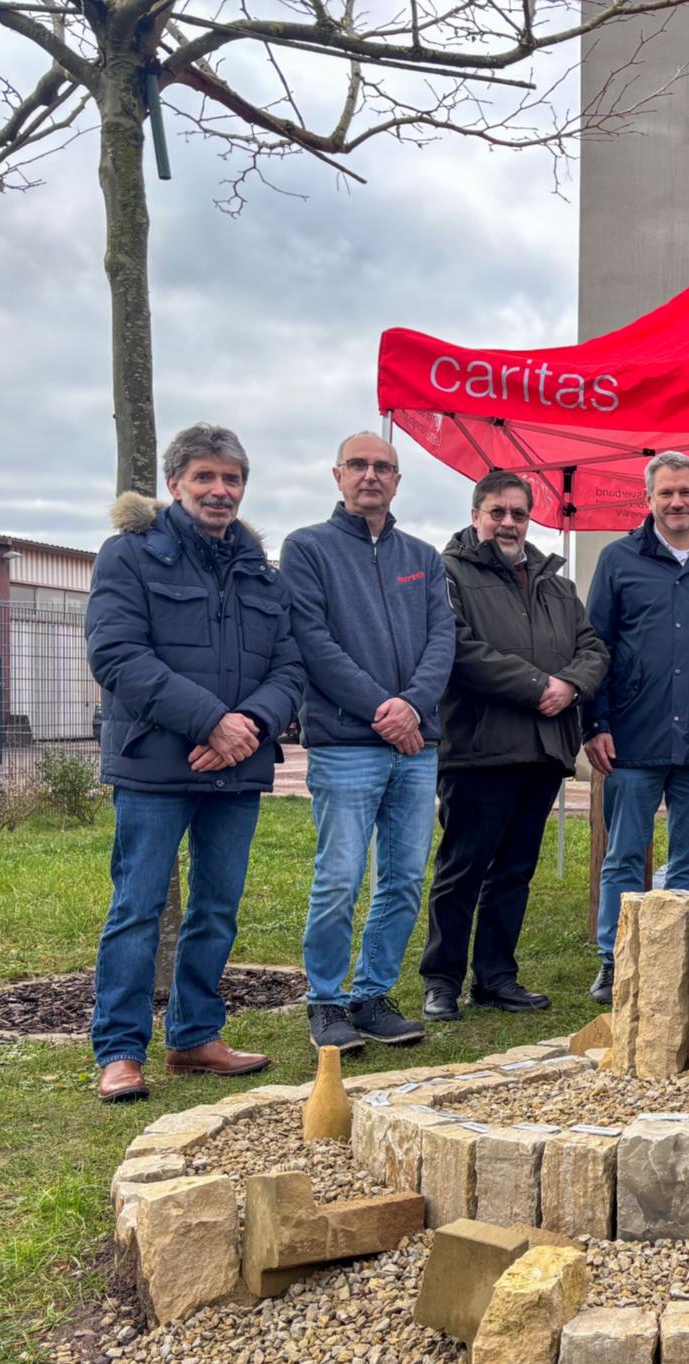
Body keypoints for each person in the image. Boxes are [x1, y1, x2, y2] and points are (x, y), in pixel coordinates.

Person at [84, 423, 304, 1103]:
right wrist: (212, 720)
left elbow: (290, 667)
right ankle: (121, 1051)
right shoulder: (128, 555)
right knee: (138, 908)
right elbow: (117, 655)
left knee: (217, 909)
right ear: (175, 484)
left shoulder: (261, 572)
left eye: (231, 479)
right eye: (204, 476)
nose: (219, 490)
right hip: (154, 766)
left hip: (236, 768)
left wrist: (251, 726)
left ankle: (195, 1037)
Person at [281, 432, 454, 1052]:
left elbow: (442, 640)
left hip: (415, 747)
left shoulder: (423, 557)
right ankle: (326, 1001)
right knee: (339, 878)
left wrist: (412, 707)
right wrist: (383, 708)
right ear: (338, 475)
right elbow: (313, 641)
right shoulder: (307, 549)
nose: (371, 475)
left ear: (398, 481)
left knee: (403, 878)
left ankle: (372, 995)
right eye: (358, 464)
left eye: (383, 467)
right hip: (347, 743)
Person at [420, 470, 609, 1021]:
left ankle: (496, 976)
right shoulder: (447, 572)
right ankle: (442, 979)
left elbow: (593, 649)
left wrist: (570, 685)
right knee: (463, 868)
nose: (508, 523)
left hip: (543, 749)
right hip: (479, 748)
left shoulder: (556, 584)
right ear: (476, 514)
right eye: (497, 512)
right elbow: (458, 649)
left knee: (515, 870)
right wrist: (537, 686)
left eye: (519, 514)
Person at [583, 450, 689, 1003]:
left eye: (686, 492)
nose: (677, 502)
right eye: (666, 493)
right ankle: (615, 960)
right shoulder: (617, 560)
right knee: (624, 857)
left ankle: (674, 960)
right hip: (630, 737)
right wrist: (595, 722)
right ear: (649, 499)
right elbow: (594, 647)